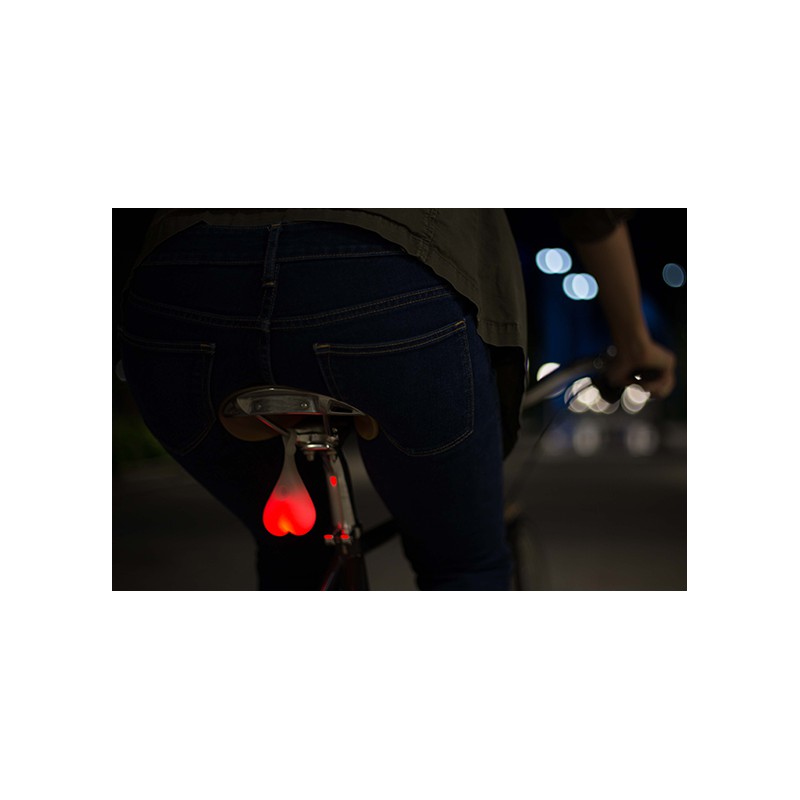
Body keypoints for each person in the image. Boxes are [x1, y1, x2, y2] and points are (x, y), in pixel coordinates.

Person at [119, 209, 675, 590]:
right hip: (392, 277)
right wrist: (633, 342)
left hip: (177, 287)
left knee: (296, 556)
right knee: (463, 564)